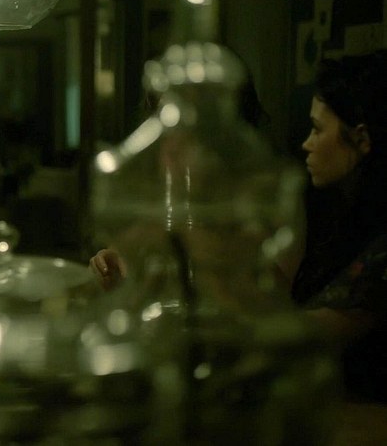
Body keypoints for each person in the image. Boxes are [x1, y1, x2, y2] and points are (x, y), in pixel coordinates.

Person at [90, 51, 387, 403]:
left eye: (317, 129)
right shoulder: (340, 210)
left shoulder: (276, 194)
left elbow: (287, 319)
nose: (306, 143)